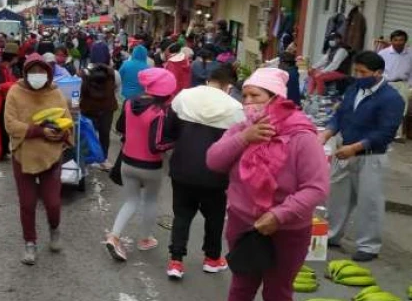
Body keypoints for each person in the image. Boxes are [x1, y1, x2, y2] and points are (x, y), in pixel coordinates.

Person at [207, 68, 329, 301]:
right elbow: (213, 161)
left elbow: (317, 187)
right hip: (243, 224)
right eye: (245, 96)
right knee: (241, 286)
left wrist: (279, 215)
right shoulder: (243, 128)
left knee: (277, 291)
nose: (248, 102)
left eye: (256, 96)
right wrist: (244, 138)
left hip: (288, 231)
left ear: (276, 98)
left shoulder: (301, 137)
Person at [318, 51, 404, 261]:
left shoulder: (392, 99)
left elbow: (385, 133)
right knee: (337, 197)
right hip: (343, 151)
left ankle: (368, 246)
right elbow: (341, 114)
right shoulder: (354, 88)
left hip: (370, 156)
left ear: (378, 73)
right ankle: (332, 235)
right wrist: (327, 132)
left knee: (369, 201)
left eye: (362, 72)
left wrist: (356, 147)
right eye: (356, 71)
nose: (358, 75)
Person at [163, 67, 244, 279]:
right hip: (215, 174)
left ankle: (176, 261)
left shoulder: (184, 97)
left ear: (208, 80)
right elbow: (239, 145)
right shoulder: (236, 108)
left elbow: (169, 131)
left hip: (182, 168)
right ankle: (212, 258)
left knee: (182, 214)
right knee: (215, 216)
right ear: (229, 86)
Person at [4, 54, 73, 265]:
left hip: (51, 155)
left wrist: (60, 134)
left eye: (41, 72)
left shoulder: (56, 93)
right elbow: (10, 124)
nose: (37, 76)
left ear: (48, 73)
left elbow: (68, 121)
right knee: (27, 203)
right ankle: (30, 244)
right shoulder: (15, 92)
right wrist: (37, 131)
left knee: (52, 203)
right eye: (32, 72)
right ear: (25, 73)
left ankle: (55, 228)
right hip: (23, 154)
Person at [104, 68, 177, 262]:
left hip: (127, 162)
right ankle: (145, 239)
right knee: (150, 201)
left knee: (131, 201)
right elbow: (157, 146)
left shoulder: (129, 103)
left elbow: (119, 127)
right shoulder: (159, 113)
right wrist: (175, 142)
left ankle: (114, 235)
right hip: (150, 167)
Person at [80, 42, 119, 170]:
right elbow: (117, 89)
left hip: (88, 108)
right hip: (107, 109)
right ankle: (103, 159)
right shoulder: (114, 73)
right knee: (104, 134)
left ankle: (88, 159)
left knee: (87, 133)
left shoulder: (83, 72)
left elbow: (79, 90)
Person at [378, 29, 412, 138]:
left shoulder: (410, 53)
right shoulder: (383, 53)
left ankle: (396, 134)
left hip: (403, 84)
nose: (398, 42)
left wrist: (410, 85)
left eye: (401, 40)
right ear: (391, 41)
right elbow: (377, 69)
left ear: (405, 41)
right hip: (387, 84)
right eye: (396, 40)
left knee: (401, 109)